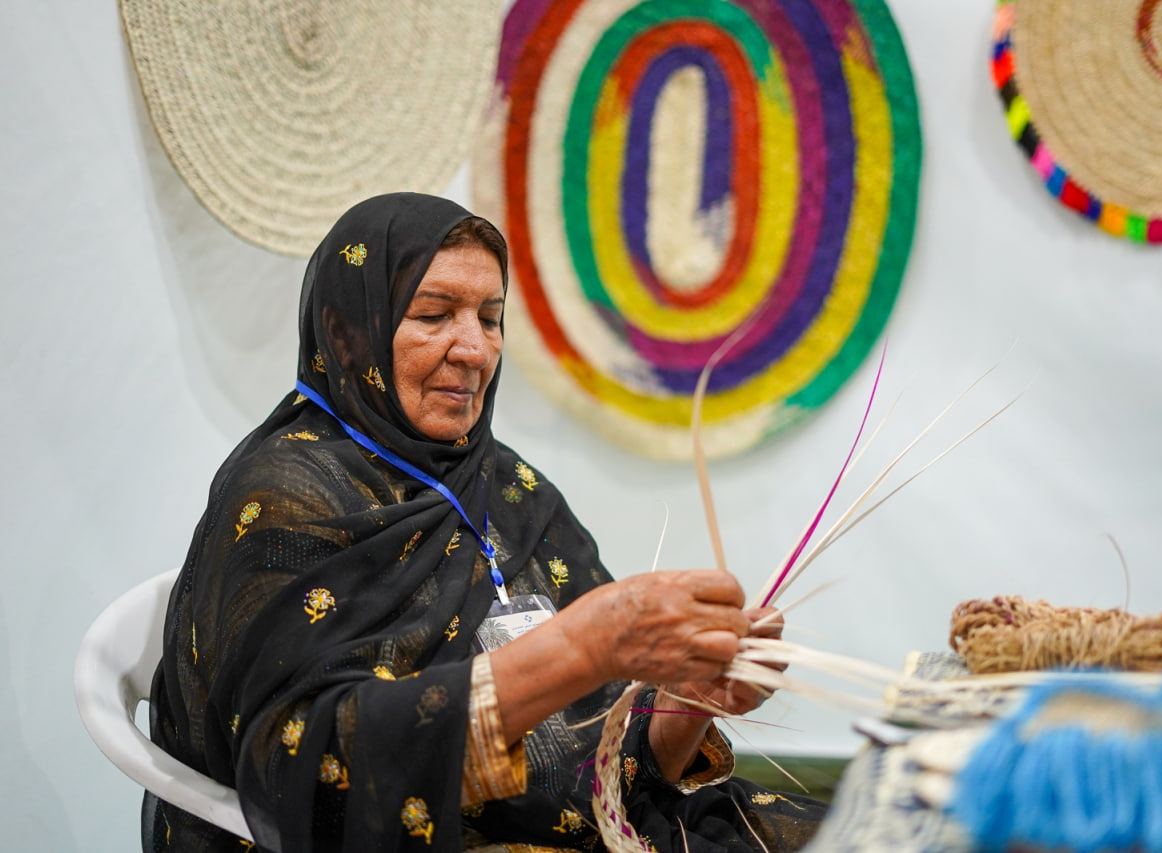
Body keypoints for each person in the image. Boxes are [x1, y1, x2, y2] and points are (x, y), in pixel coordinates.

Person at [146, 193, 826, 852]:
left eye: (491, 317)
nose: (473, 349)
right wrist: (580, 648)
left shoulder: (504, 484)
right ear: (347, 334)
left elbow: (610, 756)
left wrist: (687, 699)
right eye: (435, 314)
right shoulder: (287, 495)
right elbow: (309, 775)